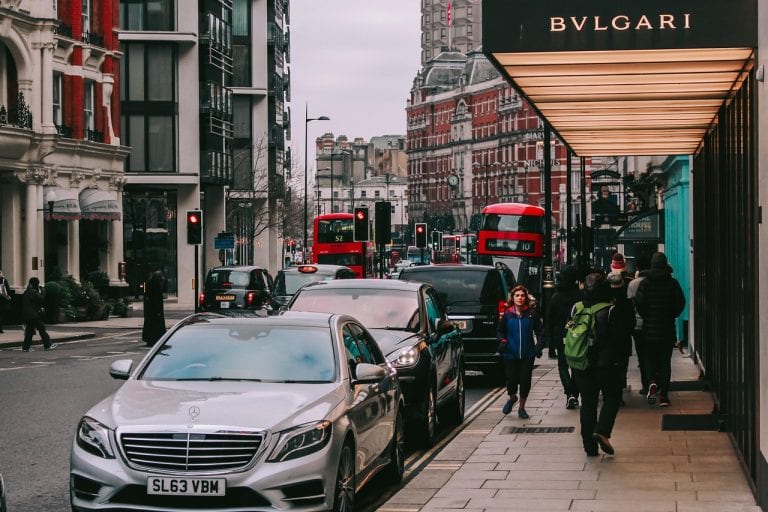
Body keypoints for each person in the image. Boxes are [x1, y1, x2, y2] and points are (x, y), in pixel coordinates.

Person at [570, 272, 628, 456]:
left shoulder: (576, 308)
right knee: (612, 397)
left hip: (581, 362)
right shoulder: (610, 310)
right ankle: (602, 431)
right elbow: (620, 339)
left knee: (588, 403)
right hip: (605, 363)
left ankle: (589, 447)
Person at [634, 252, 686, 407]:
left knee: (649, 359)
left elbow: (639, 303)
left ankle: (652, 382)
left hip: (649, 329)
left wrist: (648, 316)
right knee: (665, 361)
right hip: (667, 329)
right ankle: (664, 396)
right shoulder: (673, 283)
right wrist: (670, 314)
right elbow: (680, 303)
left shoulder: (645, 283)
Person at [497, 284, 544, 419]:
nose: (520, 298)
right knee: (511, 381)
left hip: (527, 354)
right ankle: (512, 398)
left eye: (522, 295)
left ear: (526, 298)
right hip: (510, 354)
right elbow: (500, 331)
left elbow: (540, 332)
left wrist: (538, 347)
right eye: (517, 295)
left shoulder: (531, 315)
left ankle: (522, 408)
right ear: (513, 297)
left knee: (525, 382)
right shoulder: (507, 315)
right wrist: (502, 342)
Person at [545, 264, 582, 409]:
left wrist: (550, 345)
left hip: (560, 335)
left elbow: (550, 320)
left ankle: (570, 394)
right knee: (577, 366)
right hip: (576, 334)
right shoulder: (580, 296)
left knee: (562, 365)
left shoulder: (556, 297)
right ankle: (574, 392)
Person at [607, 270, 636, 405]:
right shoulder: (626, 299)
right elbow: (632, 320)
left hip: (608, 339)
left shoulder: (605, 298)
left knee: (609, 366)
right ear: (622, 282)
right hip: (623, 337)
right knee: (622, 366)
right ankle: (619, 393)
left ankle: (610, 392)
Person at [626, 255, 651, 395]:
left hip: (638, 325)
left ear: (637, 269)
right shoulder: (654, 282)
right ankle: (657, 382)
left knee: (642, 356)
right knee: (656, 355)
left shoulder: (633, 284)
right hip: (656, 323)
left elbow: (630, 305)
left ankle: (646, 384)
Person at [21, 277, 55, 352]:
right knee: (42, 329)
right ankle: (48, 345)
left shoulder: (26, 292)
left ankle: (25, 348)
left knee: (29, 332)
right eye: (38, 283)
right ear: (36, 284)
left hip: (27, 315)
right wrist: (43, 291)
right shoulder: (33, 292)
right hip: (34, 315)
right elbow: (41, 298)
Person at [142, 269, 167, 346]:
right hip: (155, 312)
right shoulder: (156, 288)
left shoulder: (150, 286)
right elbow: (157, 301)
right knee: (156, 326)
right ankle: (156, 339)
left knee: (150, 325)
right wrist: (158, 312)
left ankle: (150, 339)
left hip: (150, 312)